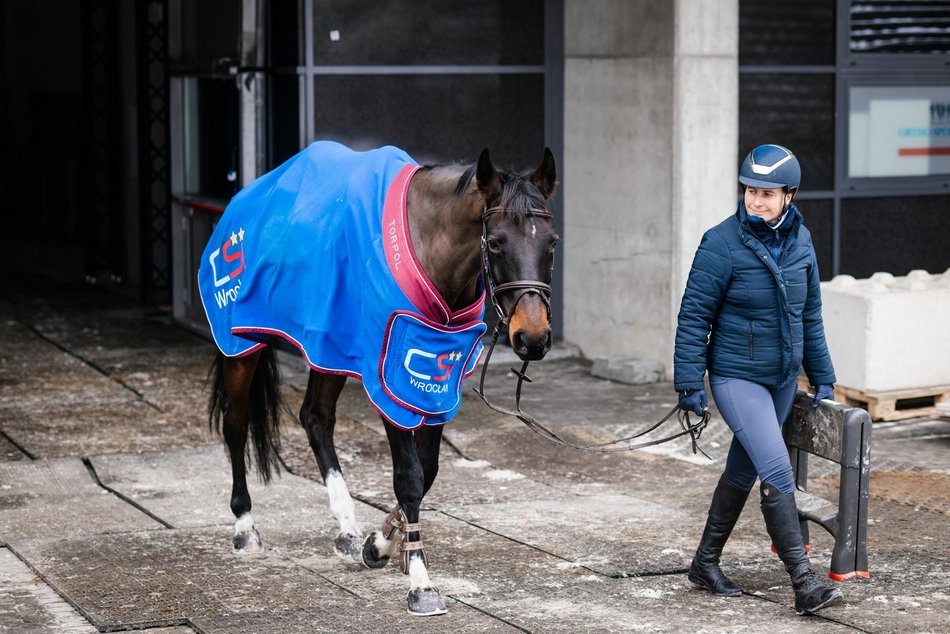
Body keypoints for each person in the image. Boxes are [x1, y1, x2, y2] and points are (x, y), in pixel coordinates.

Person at [673, 144, 843, 616]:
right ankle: (804, 583)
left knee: (744, 470)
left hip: (782, 379)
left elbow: (810, 314)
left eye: (766, 193)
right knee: (777, 470)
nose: (755, 201)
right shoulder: (720, 243)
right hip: (736, 377)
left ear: (789, 195)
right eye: (749, 190)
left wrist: (823, 375)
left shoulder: (802, 241)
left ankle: (704, 563)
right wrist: (689, 382)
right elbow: (693, 317)